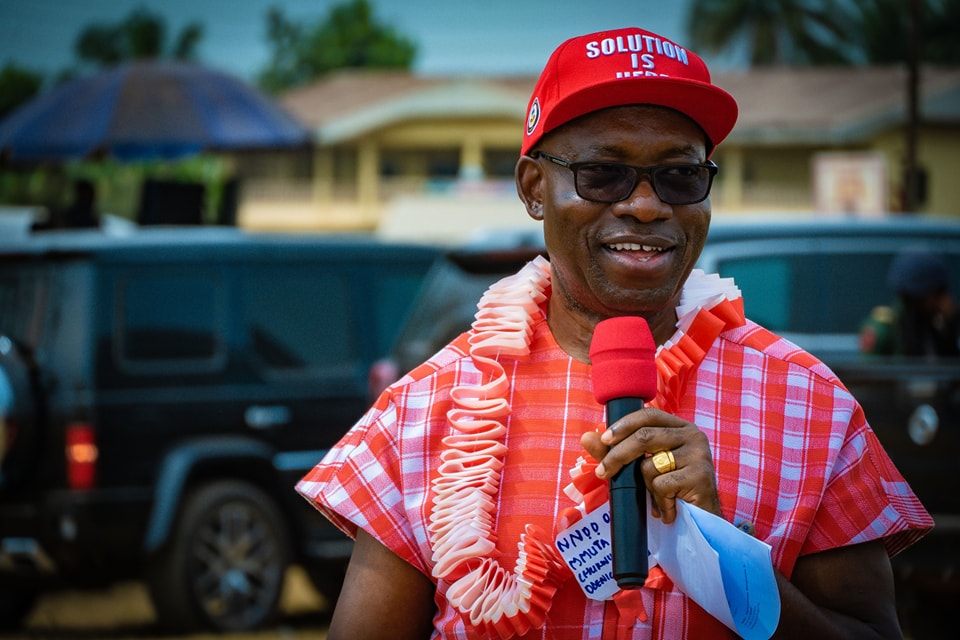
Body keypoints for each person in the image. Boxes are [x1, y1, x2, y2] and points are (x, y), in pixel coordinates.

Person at [297, 27, 932, 639]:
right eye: (604, 172)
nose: (648, 204)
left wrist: (719, 546)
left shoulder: (807, 402)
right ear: (534, 188)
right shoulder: (429, 408)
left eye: (680, 175)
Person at [860, 246, 959, 357]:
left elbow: (949, 364)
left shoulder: (935, 327)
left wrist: (950, 326)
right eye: (936, 294)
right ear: (922, 294)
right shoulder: (884, 329)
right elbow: (870, 372)